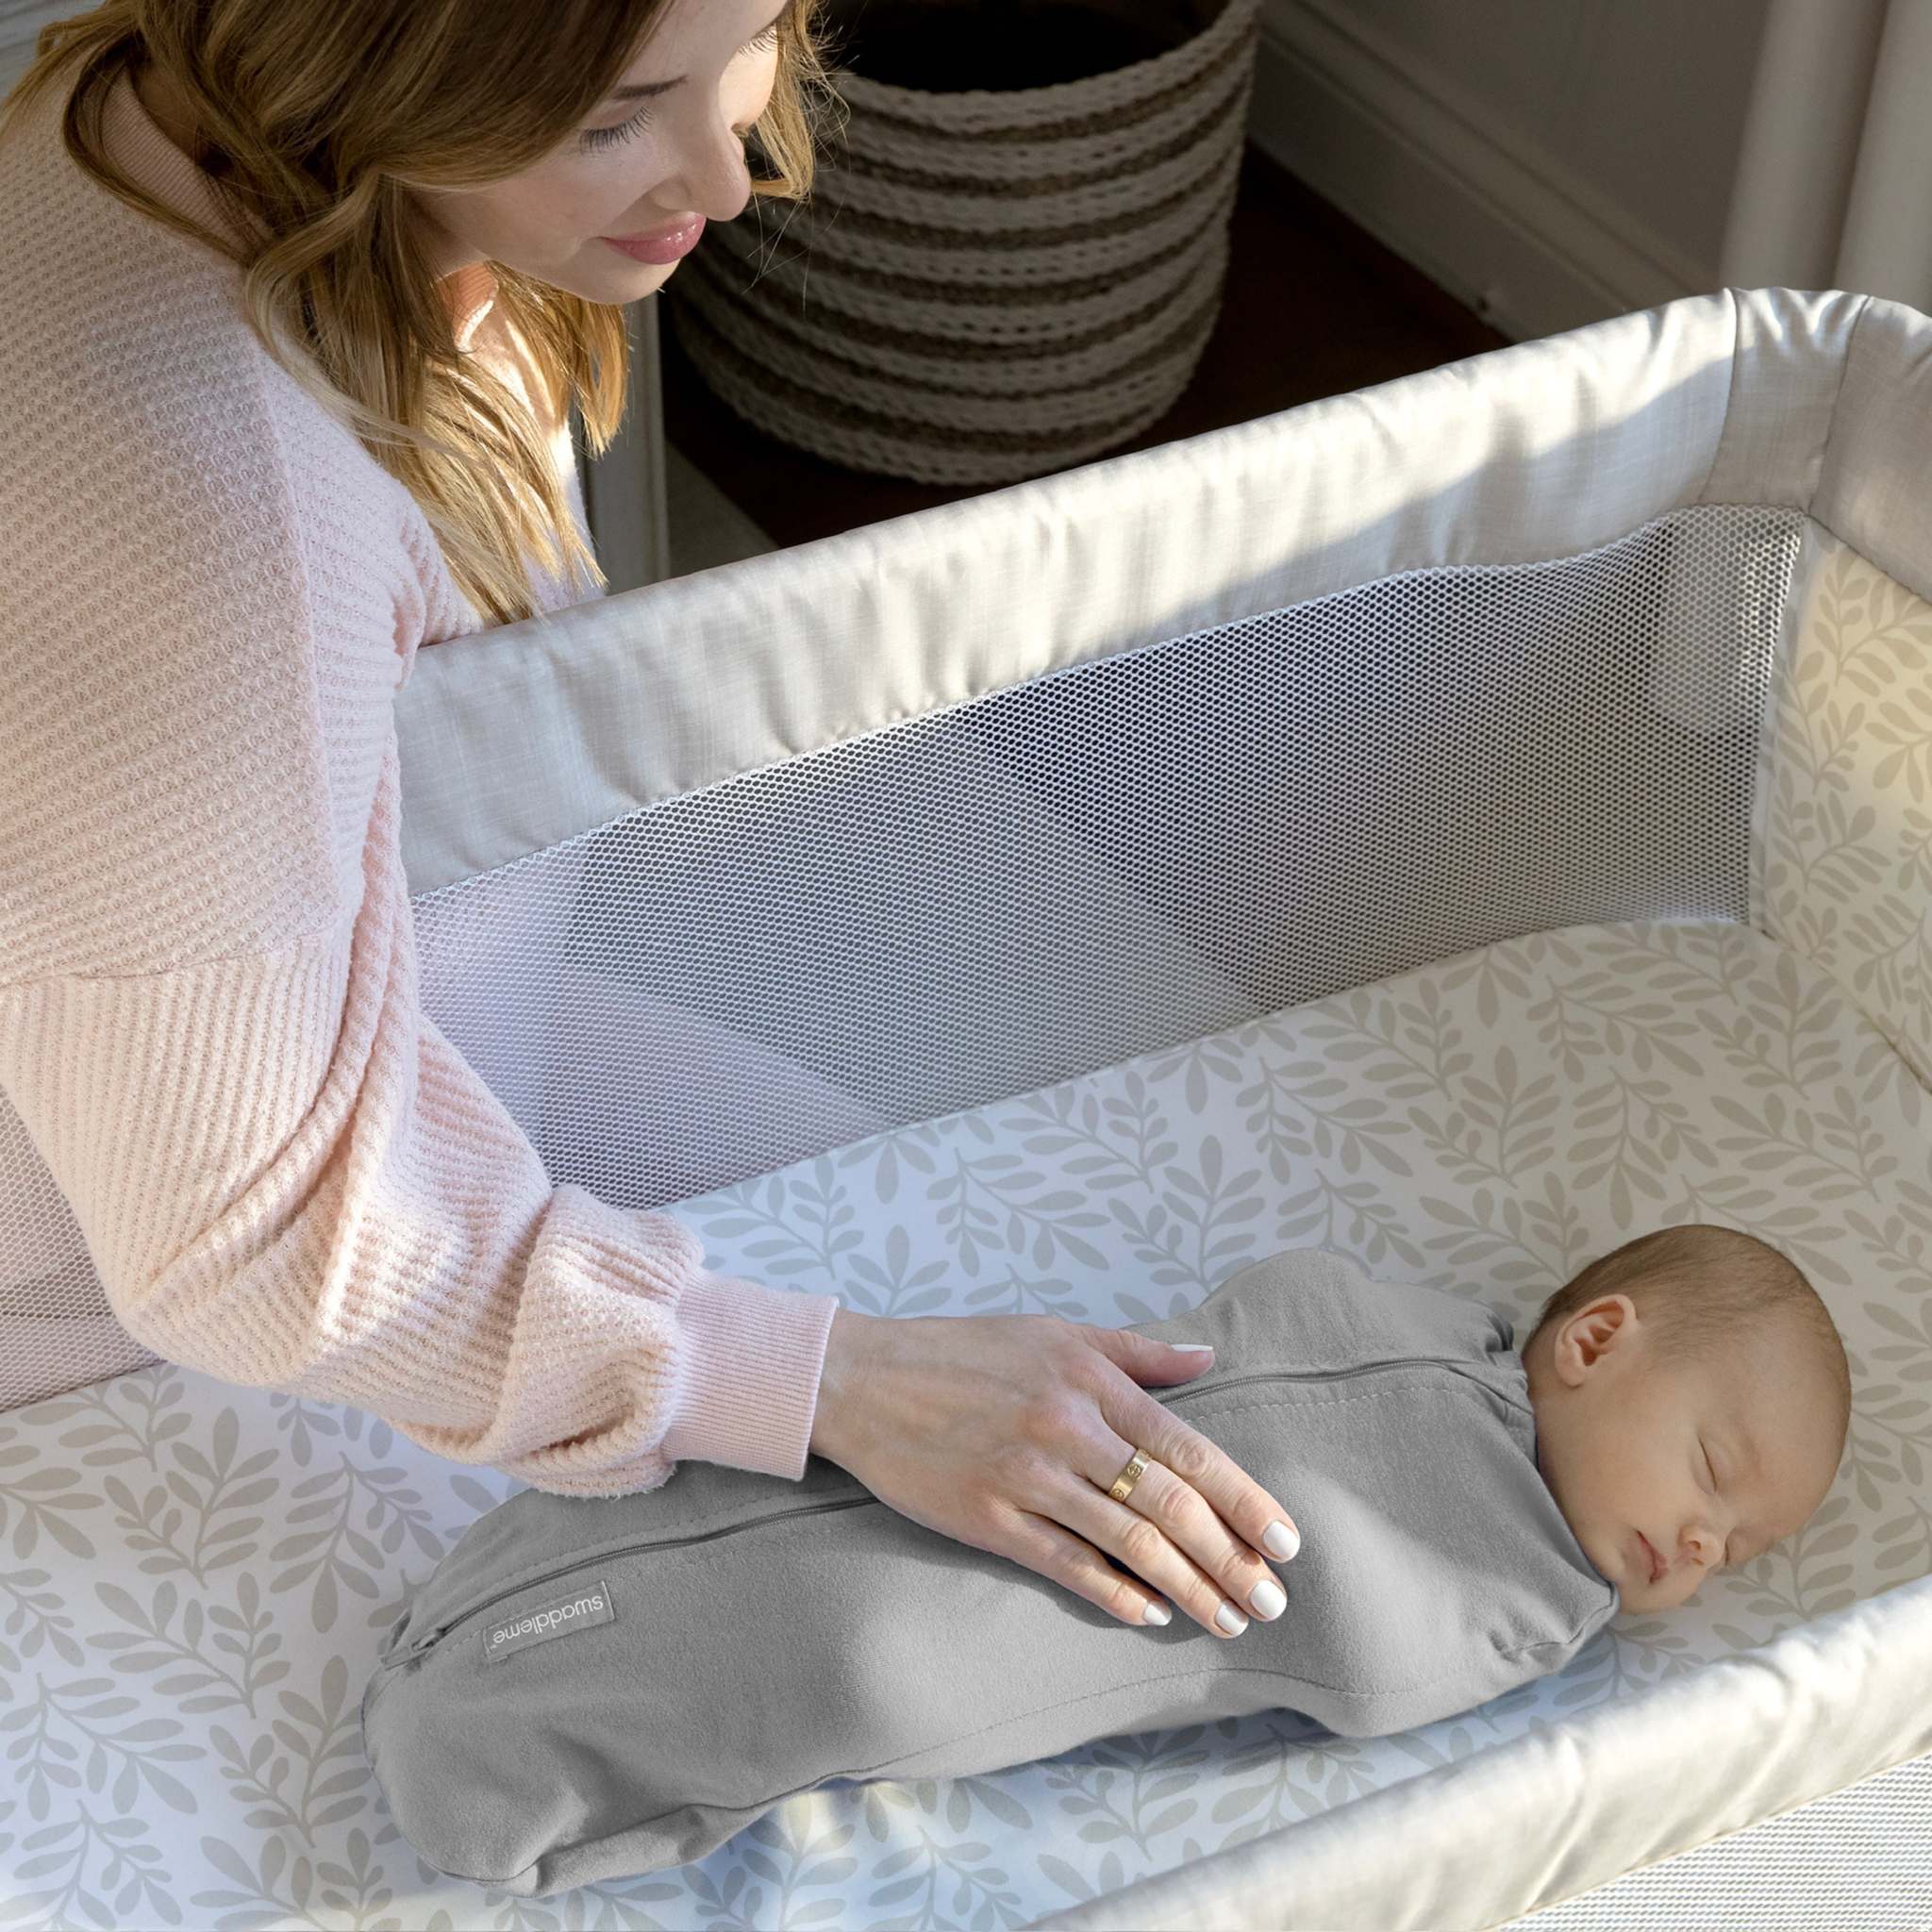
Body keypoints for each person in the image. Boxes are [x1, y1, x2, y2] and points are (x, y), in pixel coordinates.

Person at [0, 0, 1300, 1659]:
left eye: (757, 31)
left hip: (425, 1045)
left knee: (995, 1247)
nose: (735, 173)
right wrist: (810, 1377)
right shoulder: (214, 522)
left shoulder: (168, 102)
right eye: (618, 113)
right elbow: (243, 1236)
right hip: (139, 1294)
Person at [358, 1220, 1854, 1891]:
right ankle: (493, 1616)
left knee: (860, 1664)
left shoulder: (1529, 1597)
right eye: (1718, 1473)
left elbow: (1375, 1664)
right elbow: (1269, 1308)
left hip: (1052, 1619)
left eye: (1743, 1548)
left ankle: (508, 1775)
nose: (1710, 1545)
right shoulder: (1427, 1329)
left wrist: (1572, 1602)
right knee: (768, 1499)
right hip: (1011, 1446)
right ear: (1594, 1342)